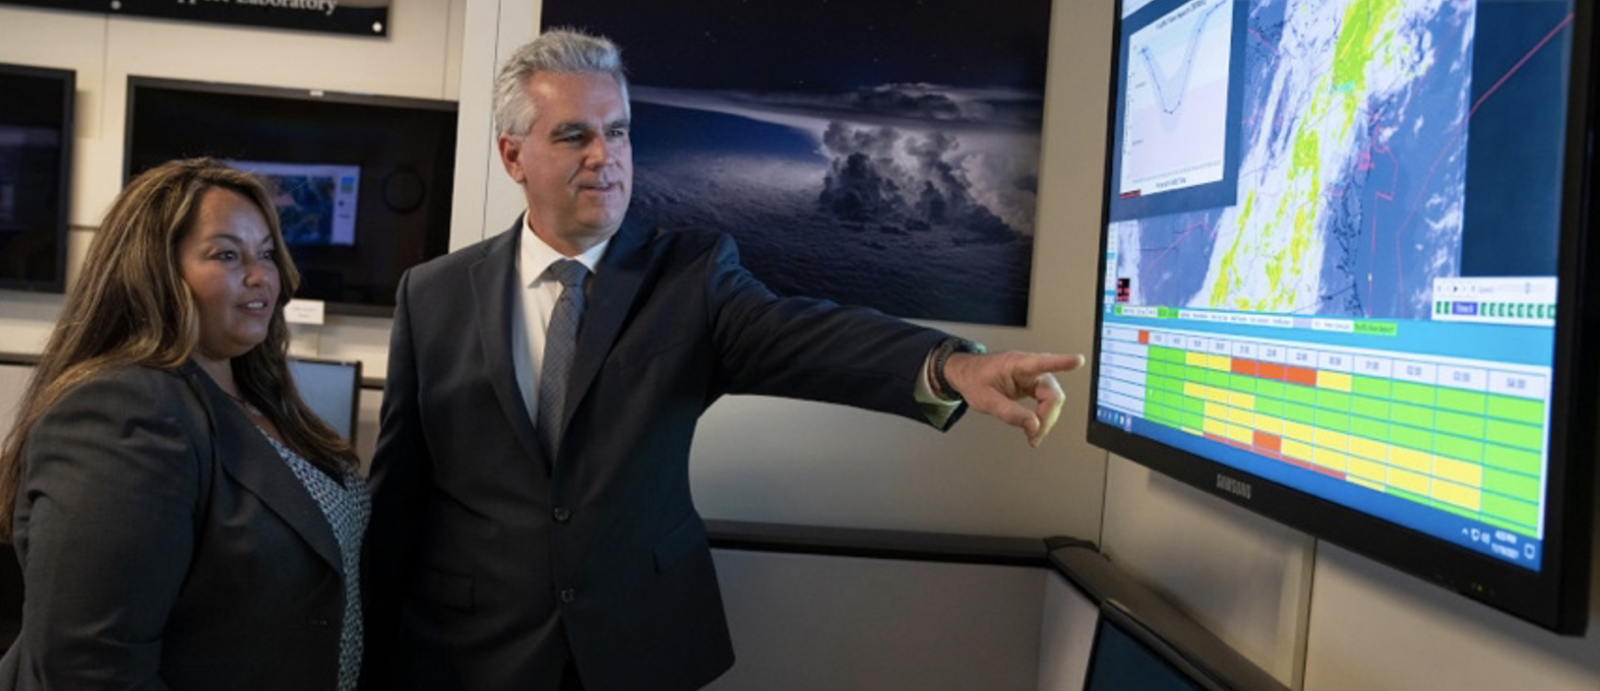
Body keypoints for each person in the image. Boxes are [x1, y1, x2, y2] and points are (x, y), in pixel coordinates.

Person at [361, 28, 1085, 691]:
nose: (604, 156)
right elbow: (397, 500)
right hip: (470, 655)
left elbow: (805, 336)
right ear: (512, 154)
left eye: (618, 132)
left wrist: (950, 365)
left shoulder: (691, 276)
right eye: (574, 135)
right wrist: (370, 662)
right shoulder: (433, 296)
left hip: (639, 648)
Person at [0, 158, 369, 690]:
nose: (261, 274)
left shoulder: (261, 398)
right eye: (226, 254)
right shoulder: (123, 408)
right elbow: (89, 667)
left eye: (266, 252)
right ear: (152, 272)